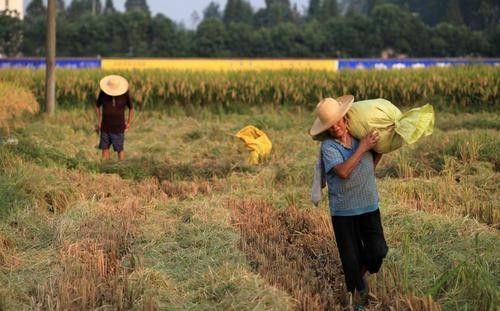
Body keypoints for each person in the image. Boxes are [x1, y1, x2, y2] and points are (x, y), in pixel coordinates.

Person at [309, 96, 388, 311]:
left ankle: (356, 274)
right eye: (330, 126)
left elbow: (368, 165)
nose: (336, 128)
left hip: (369, 206)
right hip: (344, 213)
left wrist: (378, 148)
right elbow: (343, 172)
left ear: (345, 119)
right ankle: (357, 298)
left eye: (338, 122)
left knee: (378, 251)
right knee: (350, 259)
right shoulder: (329, 147)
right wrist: (362, 147)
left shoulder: (359, 137)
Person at [95, 75, 134, 161]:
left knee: (120, 149)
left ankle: (121, 168)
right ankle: (105, 169)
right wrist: (99, 120)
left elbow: (131, 108)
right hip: (105, 127)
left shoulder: (125, 94)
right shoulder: (103, 93)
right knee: (104, 148)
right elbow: (97, 106)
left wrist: (129, 122)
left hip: (119, 127)